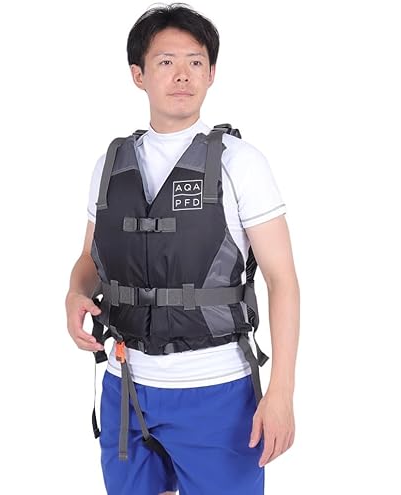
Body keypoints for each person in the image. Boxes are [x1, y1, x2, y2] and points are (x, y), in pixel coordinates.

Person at [65, 3, 300, 495]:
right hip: (125, 387)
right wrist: (74, 293)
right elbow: (91, 259)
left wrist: (281, 392)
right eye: (166, 61)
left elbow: (282, 280)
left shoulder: (240, 163)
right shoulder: (110, 164)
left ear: (211, 74)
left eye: (196, 62)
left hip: (216, 392)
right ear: (139, 75)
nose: (182, 75)